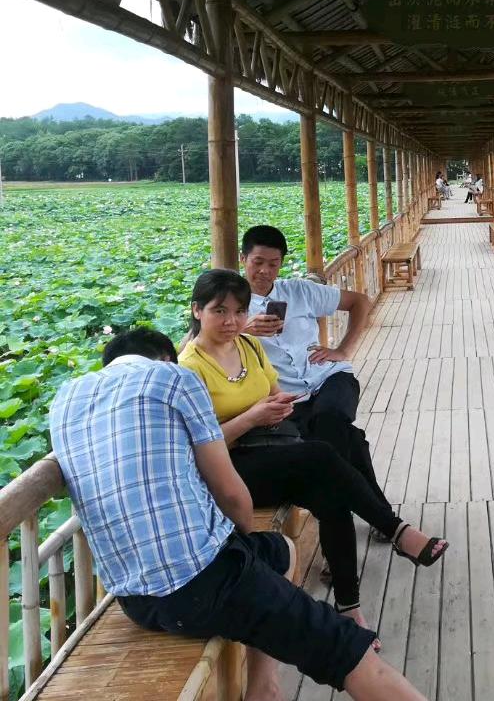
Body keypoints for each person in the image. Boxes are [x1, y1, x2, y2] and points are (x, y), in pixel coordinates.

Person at [50, 327, 427, 701]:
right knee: (352, 656)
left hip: (134, 600)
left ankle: (264, 687)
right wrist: (243, 555)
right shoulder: (174, 377)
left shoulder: (65, 400)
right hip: (200, 583)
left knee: (281, 550)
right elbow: (232, 495)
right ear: (166, 357)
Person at [179, 270, 449, 623]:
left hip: (271, 444)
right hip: (229, 467)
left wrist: (280, 406)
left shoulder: (249, 346)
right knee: (323, 452)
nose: (231, 321)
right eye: (219, 311)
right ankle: (397, 530)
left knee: (332, 491)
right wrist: (253, 417)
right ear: (198, 311)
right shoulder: (189, 369)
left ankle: (349, 606)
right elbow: (202, 447)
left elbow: (274, 395)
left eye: (239, 311)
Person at [239, 225, 379, 510]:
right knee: (347, 438)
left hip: (328, 376)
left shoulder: (299, 290)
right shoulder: (232, 308)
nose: (265, 271)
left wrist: (342, 349)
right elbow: (200, 343)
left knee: (329, 420)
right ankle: (381, 514)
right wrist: (243, 329)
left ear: (281, 264)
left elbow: (359, 302)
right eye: (258, 262)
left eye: (273, 264)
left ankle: (342, 511)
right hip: (287, 395)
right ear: (243, 259)